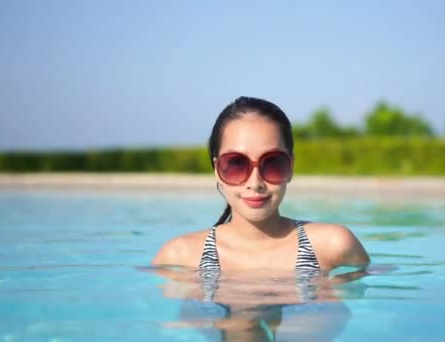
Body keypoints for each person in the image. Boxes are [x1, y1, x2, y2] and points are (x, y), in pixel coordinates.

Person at [152, 96, 370, 272]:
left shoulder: (334, 245)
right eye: (236, 163)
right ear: (217, 169)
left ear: (291, 166)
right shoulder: (179, 256)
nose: (255, 183)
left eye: (272, 162)